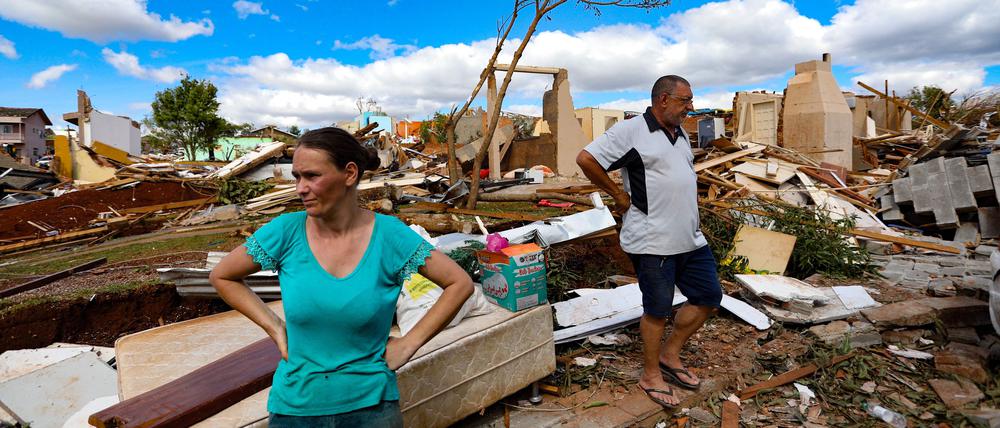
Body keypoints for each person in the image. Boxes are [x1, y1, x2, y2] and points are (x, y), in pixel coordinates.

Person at [210, 127, 474, 427]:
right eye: (297, 177)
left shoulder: (389, 236)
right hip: (295, 409)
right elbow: (223, 276)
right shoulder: (286, 231)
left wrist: (409, 343)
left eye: (311, 176)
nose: (300, 188)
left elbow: (459, 283)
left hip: (371, 408)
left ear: (349, 174)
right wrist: (274, 327)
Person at [575, 75, 722, 408]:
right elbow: (586, 158)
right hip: (651, 240)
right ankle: (651, 373)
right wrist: (616, 195)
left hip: (690, 239)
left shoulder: (681, 133)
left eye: (691, 100)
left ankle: (671, 356)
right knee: (657, 310)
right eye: (685, 101)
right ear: (664, 99)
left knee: (709, 296)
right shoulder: (631, 131)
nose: (690, 107)